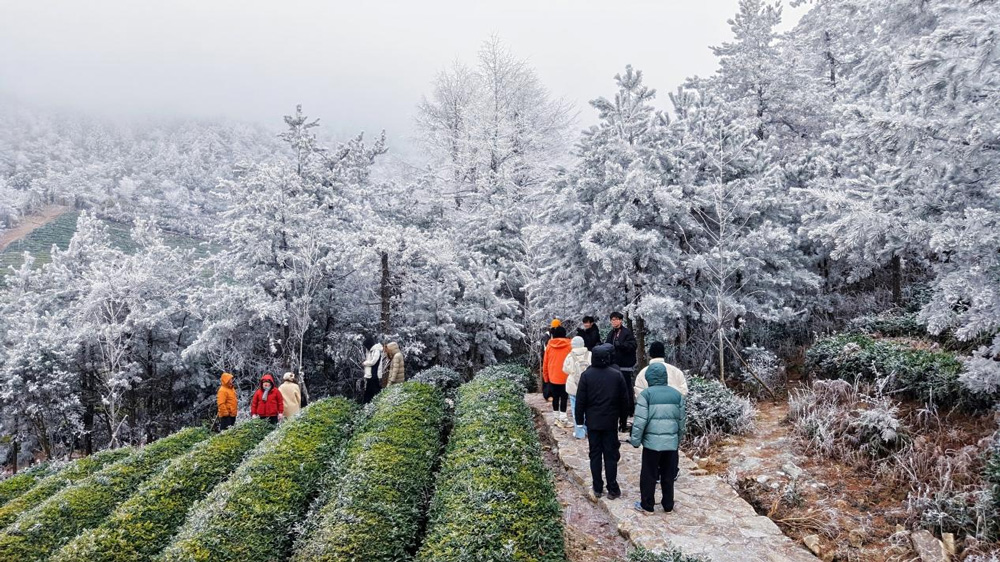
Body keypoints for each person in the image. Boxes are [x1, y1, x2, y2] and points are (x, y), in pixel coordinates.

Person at [574, 343, 630, 500]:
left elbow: (580, 400)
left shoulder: (587, 375)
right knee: (610, 456)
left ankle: (597, 487)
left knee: (595, 455)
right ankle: (612, 488)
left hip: (593, 422)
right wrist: (623, 421)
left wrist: (579, 421)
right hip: (610, 422)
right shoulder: (616, 375)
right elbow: (624, 400)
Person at [630, 362, 686, 515]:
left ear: (649, 377)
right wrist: (677, 439)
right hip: (671, 444)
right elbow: (681, 421)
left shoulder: (646, 395)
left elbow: (640, 421)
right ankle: (668, 505)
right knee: (668, 475)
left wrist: (635, 441)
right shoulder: (677, 395)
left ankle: (647, 505)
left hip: (652, 444)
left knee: (649, 474)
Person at [542, 326, 573, 426]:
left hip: (553, 377)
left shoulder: (549, 346)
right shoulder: (569, 345)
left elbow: (545, 363)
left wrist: (546, 377)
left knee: (555, 397)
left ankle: (556, 418)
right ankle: (563, 419)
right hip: (566, 376)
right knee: (564, 397)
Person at [563, 336, 592, 439]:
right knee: (588, 409)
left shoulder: (570, 356)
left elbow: (565, 369)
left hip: (574, 386)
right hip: (588, 385)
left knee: (576, 409)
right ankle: (589, 430)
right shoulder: (589, 354)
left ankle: (579, 433)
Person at [606, 312, 638, 385]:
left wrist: (621, 345)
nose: (613, 321)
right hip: (613, 366)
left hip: (625, 367)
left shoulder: (626, 332)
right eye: (612, 320)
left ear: (621, 320)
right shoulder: (611, 333)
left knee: (626, 387)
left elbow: (633, 346)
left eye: (616, 319)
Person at [361, 335, 384, 404]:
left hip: (374, 374)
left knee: (375, 389)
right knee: (369, 390)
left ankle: (378, 403)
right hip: (371, 374)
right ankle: (366, 404)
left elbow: (373, 362)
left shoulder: (376, 350)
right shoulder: (372, 351)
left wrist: (365, 363)